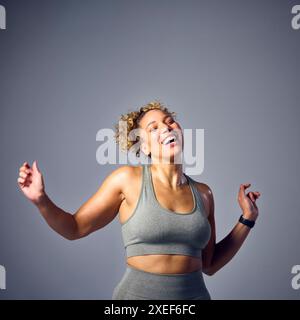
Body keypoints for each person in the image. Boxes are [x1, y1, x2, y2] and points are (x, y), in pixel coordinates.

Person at [17, 100, 261, 300]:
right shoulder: (127, 180)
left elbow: (210, 265)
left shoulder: (204, 193)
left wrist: (247, 219)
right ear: (144, 147)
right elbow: (75, 228)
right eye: (153, 128)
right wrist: (42, 200)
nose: (166, 128)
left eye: (169, 121)